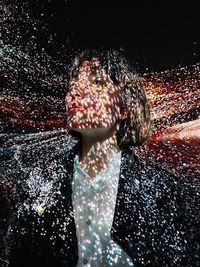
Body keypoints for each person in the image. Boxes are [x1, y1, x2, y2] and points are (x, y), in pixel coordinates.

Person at [0, 49, 188, 267]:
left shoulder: (159, 188)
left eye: (95, 83)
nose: (76, 92)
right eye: (72, 86)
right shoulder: (42, 180)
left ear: (124, 108)